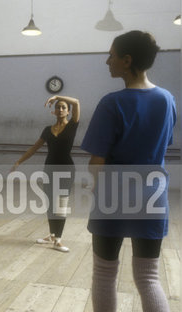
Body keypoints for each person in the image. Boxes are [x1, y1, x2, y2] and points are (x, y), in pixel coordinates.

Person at [81, 31, 175, 312]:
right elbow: (162, 144)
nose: (106, 61)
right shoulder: (167, 99)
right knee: (148, 277)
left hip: (114, 196)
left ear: (127, 60)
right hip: (153, 197)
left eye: (111, 55)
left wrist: (95, 191)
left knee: (104, 274)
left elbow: (96, 162)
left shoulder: (112, 103)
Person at [11, 95, 80, 252]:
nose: (61, 109)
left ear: (68, 111)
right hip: (49, 168)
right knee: (50, 203)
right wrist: (19, 161)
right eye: (58, 107)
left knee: (61, 205)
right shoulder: (47, 130)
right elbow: (34, 148)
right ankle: (52, 234)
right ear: (53, 112)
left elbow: (76, 102)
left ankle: (58, 240)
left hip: (66, 169)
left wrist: (56, 96)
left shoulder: (72, 126)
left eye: (63, 107)